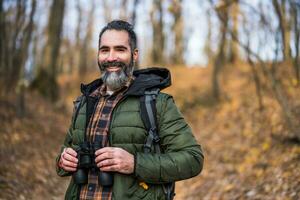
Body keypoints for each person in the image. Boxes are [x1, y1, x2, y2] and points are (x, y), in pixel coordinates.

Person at [56, 20, 204, 200]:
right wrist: (63, 161)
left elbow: (193, 159)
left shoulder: (157, 103)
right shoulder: (84, 102)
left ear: (134, 55)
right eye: (105, 50)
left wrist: (135, 163)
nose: (111, 57)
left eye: (120, 49)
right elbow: (65, 152)